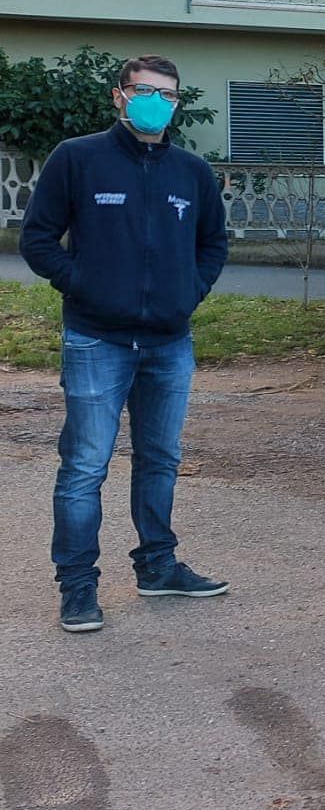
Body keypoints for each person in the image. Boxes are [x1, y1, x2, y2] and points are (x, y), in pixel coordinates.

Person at [21, 55, 230, 634]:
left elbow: (214, 244)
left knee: (160, 459)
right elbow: (37, 239)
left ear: (177, 103)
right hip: (97, 339)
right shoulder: (77, 158)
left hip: (169, 343)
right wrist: (85, 285)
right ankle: (78, 586)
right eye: (144, 91)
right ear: (119, 96)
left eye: (168, 95)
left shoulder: (191, 172)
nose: (155, 103)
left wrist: (186, 294)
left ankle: (158, 566)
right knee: (85, 467)